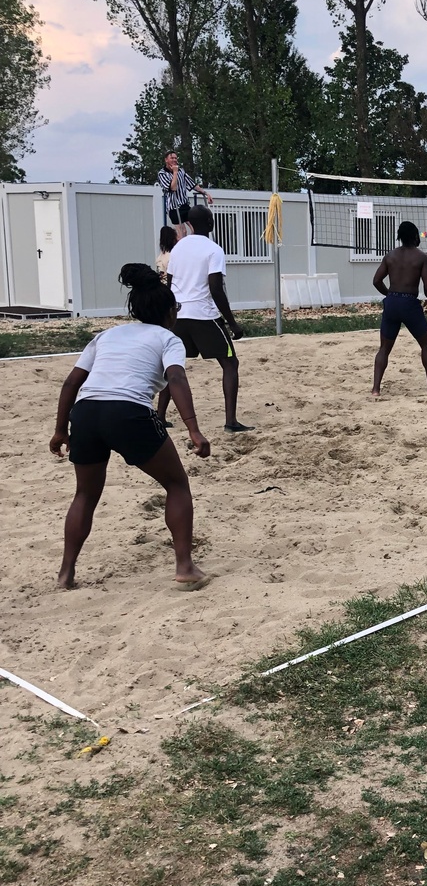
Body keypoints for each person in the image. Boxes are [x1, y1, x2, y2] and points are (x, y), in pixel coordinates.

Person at [49, 263, 210, 589]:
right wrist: (193, 429)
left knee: (84, 494)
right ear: (170, 312)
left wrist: (60, 429)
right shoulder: (168, 338)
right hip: (127, 414)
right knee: (177, 485)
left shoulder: (107, 335)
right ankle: (185, 567)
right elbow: (176, 378)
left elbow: (71, 384)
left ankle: (66, 573)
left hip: (86, 413)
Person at [159, 204, 252, 432]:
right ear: (211, 224)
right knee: (230, 363)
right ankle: (231, 422)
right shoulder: (214, 249)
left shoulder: (179, 248)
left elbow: (170, 283)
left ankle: (159, 417)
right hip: (204, 316)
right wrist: (232, 323)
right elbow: (215, 288)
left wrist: (170, 314)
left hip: (179, 315)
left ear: (189, 224)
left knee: (173, 366)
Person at [371, 220, 427, 397]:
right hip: (410, 303)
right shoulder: (422, 257)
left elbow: (376, 280)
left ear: (400, 237)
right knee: (426, 345)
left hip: (392, 302)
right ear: (416, 236)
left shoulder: (390, 256)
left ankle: (376, 389)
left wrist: (390, 295)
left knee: (384, 348)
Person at [157, 151, 213, 237]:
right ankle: (180, 248)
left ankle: (191, 246)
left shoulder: (181, 171)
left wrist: (206, 193)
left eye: (175, 158)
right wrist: (175, 172)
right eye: (172, 158)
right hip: (174, 206)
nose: (174, 160)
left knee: (195, 229)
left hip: (184, 205)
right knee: (182, 232)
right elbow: (173, 188)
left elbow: (192, 184)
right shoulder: (162, 174)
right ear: (166, 160)